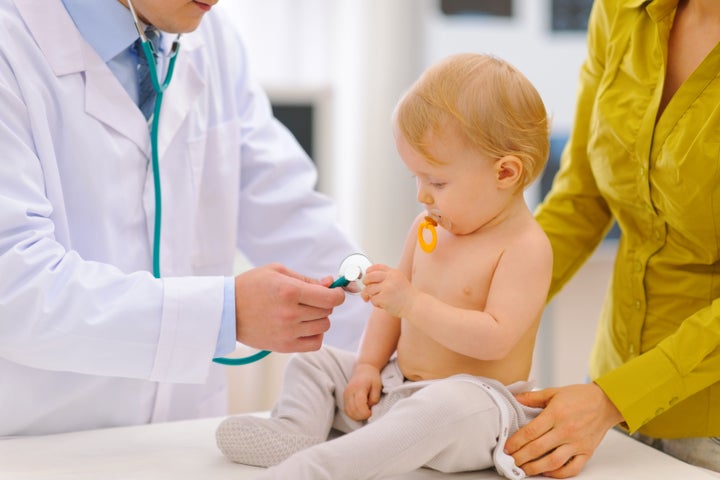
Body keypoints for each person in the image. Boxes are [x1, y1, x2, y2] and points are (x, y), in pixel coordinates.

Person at [0, 0, 370, 437]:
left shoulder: (208, 39)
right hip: (36, 450)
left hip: (183, 442)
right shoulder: (12, 46)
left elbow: (290, 215)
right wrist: (224, 315)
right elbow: (16, 287)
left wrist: (403, 337)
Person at [215, 53, 553, 479]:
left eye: (437, 182)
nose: (422, 196)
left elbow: (495, 340)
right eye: (416, 178)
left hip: (475, 407)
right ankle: (294, 431)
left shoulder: (525, 247)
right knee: (315, 362)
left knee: (446, 407)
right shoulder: (427, 227)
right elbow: (387, 314)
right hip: (397, 388)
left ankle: (325, 466)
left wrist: (412, 303)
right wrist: (367, 368)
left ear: (505, 172)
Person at [504, 0, 720, 477]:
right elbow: (581, 197)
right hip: (605, 391)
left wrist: (616, 397)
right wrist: (476, 306)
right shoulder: (622, 10)